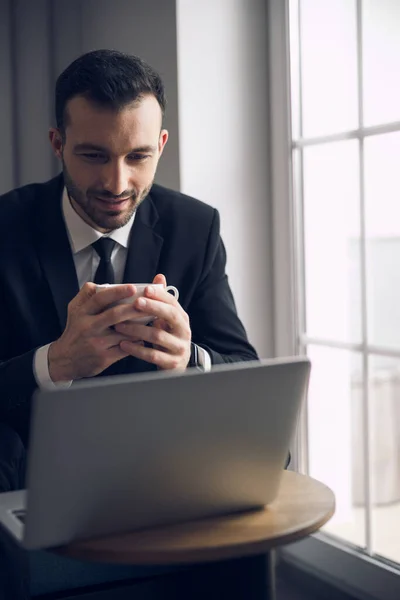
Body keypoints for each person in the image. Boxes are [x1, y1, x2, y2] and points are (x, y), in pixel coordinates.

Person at [0, 50, 257, 598]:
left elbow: (244, 370)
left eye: (138, 156)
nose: (117, 182)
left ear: (161, 146)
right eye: (93, 155)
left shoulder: (196, 227)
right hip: (31, 491)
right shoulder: (4, 229)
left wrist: (190, 358)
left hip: (161, 489)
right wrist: (54, 363)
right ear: (57, 144)